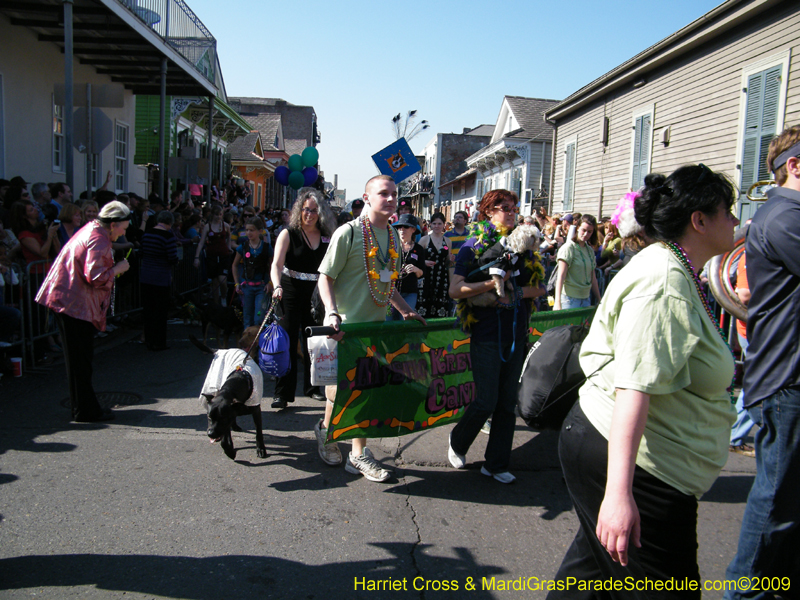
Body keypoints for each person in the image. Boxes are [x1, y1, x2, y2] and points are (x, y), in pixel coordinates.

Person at [548, 165, 738, 597]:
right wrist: (619, 495)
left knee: (590, 578)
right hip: (638, 464)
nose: (735, 220)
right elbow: (635, 386)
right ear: (700, 220)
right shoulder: (664, 279)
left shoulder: (676, 267)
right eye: (726, 211)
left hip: (617, 448)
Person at [724, 127, 800, 598]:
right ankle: (744, 592)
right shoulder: (785, 216)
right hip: (790, 378)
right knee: (777, 501)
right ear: (795, 164)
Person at [316, 175, 425, 482]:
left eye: (394, 194)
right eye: (383, 193)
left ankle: (357, 455)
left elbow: (388, 283)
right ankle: (326, 432)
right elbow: (325, 277)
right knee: (339, 394)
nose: (391, 199)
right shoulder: (348, 233)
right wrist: (331, 313)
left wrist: (406, 310)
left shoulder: (392, 237)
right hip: (345, 330)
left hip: (374, 331)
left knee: (364, 392)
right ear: (366, 197)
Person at [447, 189, 545, 483]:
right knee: (486, 400)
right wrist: (491, 285)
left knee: (506, 403)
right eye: (503, 207)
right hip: (487, 332)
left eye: (513, 207)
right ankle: (458, 441)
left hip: (516, 331)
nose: (511, 211)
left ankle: (497, 463)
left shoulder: (527, 246)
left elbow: (541, 288)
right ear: (488, 212)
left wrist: (513, 292)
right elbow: (455, 290)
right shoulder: (471, 247)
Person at [35, 202, 131, 422]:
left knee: (81, 360)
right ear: (113, 224)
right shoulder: (98, 237)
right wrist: (118, 269)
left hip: (71, 301)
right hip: (72, 304)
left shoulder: (94, 231)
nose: (124, 232)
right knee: (80, 361)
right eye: (123, 228)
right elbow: (96, 277)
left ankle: (86, 407)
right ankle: (85, 410)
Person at [270, 189, 336, 409]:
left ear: (321, 213)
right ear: (300, 210)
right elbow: (276, 265)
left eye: (314, 210)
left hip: (316, 293)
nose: (309, 214)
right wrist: (277, 285)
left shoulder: (328, 236)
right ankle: (282, 393)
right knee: (287, 341)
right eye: (306, 209)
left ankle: (313, 388)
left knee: (314, 342)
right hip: (289, 290)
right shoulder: (288, 233)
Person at [728, 251, 755, 457]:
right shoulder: (752, 252)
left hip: (758, 328)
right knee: (758, 383)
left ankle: (735, 434)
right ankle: (735, 435)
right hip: (756, 329)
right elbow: (744, 294)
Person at [140, 210, 179, 351]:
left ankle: (148, 339)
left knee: (148, 310)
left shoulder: (147, 233)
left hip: (146, 275)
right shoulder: (168, 236)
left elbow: (141, 252)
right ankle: (159, 342)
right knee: (160, 312)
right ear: (170, 222)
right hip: (161, 277)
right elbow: (172, 257)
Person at [553, 214, 600, 310]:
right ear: (578, 227)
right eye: (584, 230)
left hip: (586, 299)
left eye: (590, 232)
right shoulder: (568, 248)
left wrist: (599, 299)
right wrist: (557, 302)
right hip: (569, 300)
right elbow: (560, 276)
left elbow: (593, 277)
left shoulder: (590, 251)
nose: (586, 234)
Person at [232, 216, 271, 329]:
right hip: (247, 287)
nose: (248, 233)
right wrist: (237, 283)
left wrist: (271, 282)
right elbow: (234, 265)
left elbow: (273, 266)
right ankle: (247, 345)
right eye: (247, 230)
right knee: (247, 318)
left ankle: (259, 344)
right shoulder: (243, 247)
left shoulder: (267, 248)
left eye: (252, 230)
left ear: (260, 231)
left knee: (259, 318)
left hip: (262, 287)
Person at [389, 214, 424, 320]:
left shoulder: (419, 249)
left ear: (413, 229)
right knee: (388, 320)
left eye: (406, 227)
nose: (402, 230)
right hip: (391, 290)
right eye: (400, 227)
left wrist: (415, 269)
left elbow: (422, 272)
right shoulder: (391, 246)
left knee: (405, 320)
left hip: (410, 292)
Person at [194, 205, 231, 306]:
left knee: (222, 279)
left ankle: (223, 297)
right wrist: (197, 257)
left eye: (220, 214)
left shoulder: (226, 226)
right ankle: (216, 304)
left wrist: (229, 247)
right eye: (216, 214)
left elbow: (229, 237)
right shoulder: (207, 227)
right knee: (214, 281)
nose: (218, 217)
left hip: (224, 255)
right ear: (212, 215)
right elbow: (201, 243)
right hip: (212, 255)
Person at [417, 212, 451, 318]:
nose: (437, 226)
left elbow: (447, 260)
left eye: (439, 224)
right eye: (434, 223)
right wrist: (424, 262)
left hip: (441, 277)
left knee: (440, 302)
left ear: (444, 225)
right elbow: (415, 258)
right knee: (424, 303)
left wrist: (451, 260)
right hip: (427, 276)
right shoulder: (424, 239)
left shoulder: (448, 241)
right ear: (430, 224)